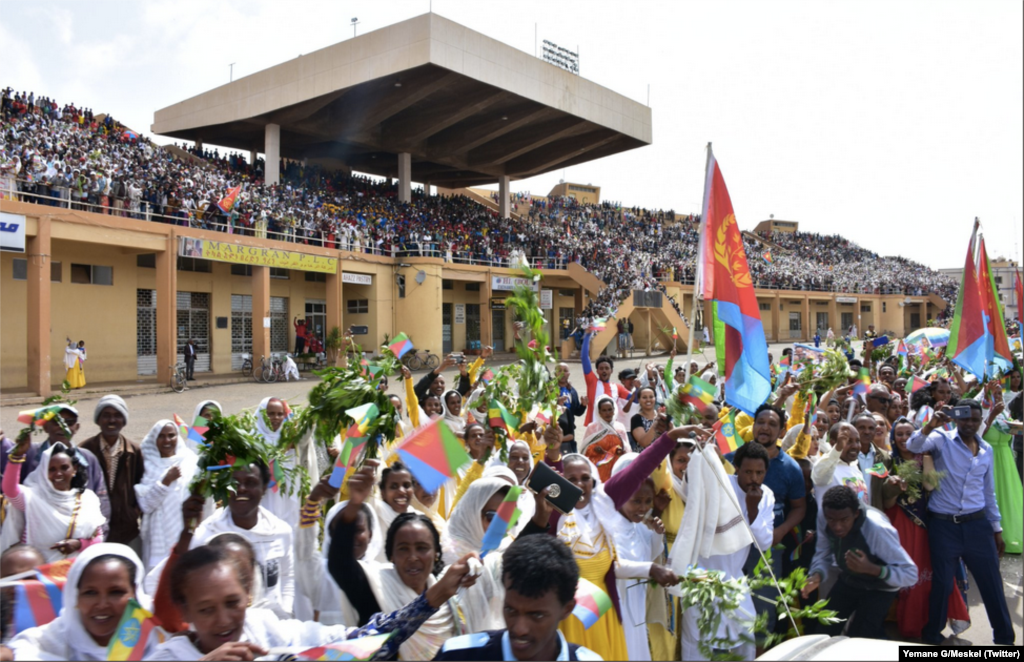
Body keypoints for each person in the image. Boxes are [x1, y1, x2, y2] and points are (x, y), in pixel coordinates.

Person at [148, 541, 477, 661]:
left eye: (233, 602)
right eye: (206, 610)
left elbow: (363, 644)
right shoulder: (169, 656)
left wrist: (434, 597)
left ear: (249, 595)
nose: (223, 620)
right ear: (184, 610)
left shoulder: (267, 633)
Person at [327, 461, 478, 660]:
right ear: (391, 556)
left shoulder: (449, 599)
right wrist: (354, 505)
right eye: (403, 549)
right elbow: (340, 564)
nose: (413, 557)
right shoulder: (376, 589)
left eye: (422, 548)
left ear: (436, 554)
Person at [906, 401, 1015, 645]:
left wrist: (997, 529)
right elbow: (911, 444)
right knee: (943, 585)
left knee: (992, 585)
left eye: (975, 420)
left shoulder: (986, 449)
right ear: (956, 419)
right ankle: (932, 637)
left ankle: (1005, 640)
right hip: (944, 527)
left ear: (980, 420)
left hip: (977, 526)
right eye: (965, 419)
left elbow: (989, 494)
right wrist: (929, 425)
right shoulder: (941, 438)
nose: (970, 424)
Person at [433, 534, 601, 662]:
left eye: (536, 615)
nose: (520, 629)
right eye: (510, 610)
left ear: (567, 609)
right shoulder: (458, 655)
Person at [681, 441, 775, 661]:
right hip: (700, 573)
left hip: (733, 577)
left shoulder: (766, 496)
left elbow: (764, 544)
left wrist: (753, 510)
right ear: (736, 468)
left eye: (759, 473)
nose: (754, 478)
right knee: (697, 637)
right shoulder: (720, 484)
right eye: (748, 471)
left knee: (746, 631)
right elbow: (689, 492)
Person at [882, 417, 970, 639]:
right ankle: (909, 626)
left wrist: (926, 457)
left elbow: (931, 484)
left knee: (931, 577)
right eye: (899, 434)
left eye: (908, 433)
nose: (903, 438)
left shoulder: (926, 457)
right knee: (909, 579)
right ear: (893, 438)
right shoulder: (887, 461)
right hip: (900, 523)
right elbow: (886, 502)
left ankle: (929, 625)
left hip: (928, 524)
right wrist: (896, 487)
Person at [1, 544, 161, 660]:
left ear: (135, 591)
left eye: (116, 592)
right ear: (75, 596)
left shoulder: (159, 636)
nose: (102, 604)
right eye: (90, 593)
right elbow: (16, 651)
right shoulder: (46, 642)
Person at [803, 485, 918, 639]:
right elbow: (823, 552)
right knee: (824, 631)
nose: (837, 527)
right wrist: (817, 575)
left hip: (880, 587)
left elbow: (910, 574)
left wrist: (872, 569)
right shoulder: (824, 516)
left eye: (844, 520)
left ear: (856, 514)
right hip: (850, 578)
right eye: (831, 519)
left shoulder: (876, 528)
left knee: (860, 639)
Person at [190, 460, 295, 617]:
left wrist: (285, 614)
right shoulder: (206, 536)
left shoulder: (280, 531)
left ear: (264, 487)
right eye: (234, 482)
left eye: (251, 482)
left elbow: (287, 577)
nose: (241, 489)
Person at [0, 433, 107, 563]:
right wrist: (17, 456)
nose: (58, 473)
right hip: (39, 575)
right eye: (51, 469)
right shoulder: (33, 499)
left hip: (74, 573)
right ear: (44, 473)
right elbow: (10, 490)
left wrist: (79, 544)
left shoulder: (88, 499)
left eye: (64, 467)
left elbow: (98, 537)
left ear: (75, 469)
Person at [78, 395, 144, 547]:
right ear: (98, 420)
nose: (112, 420)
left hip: (127, 532)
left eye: (117, 416)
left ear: (124, 420)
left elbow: (142, 485)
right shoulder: (85, 450)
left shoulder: (134, 451)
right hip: (93, 534)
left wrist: (134, 511)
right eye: (106, 415)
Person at [134, 420, 198, 573]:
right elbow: (145, 505)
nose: (167, 440)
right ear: (154, 439)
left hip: (184, 534)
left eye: (171, 435)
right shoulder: (146, 465)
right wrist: (165, 481)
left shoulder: (190, 461)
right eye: (161, 436)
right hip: (158, 539)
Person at [580, 332, 630, 426]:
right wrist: (587, 335)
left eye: (607, 368)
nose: (604, 371)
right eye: (601, 368)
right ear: (597, 371)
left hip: (612, 428)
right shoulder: (592, 382)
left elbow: (634, 398)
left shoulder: (617, 387)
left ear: (612, 371)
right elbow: (584, 357)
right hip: (594, 428)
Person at [579, 396, 629, 482]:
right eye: (604, 410)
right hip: (598, 470)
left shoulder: (620, 427)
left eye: (610, 410)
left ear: (614, 410)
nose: (607, 413)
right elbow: (584, 450)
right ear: (599, 412)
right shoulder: (592, 428)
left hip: (616, 469)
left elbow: (627, 450)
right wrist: (594, 448)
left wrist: (619, 451)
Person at [557, 363, 587, 455]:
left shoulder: (572, 391)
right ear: (555, 373)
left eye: (565, 370)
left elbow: (577, 412)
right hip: (554, 430)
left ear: (569, 374)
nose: (562, 373)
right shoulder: (549, 389)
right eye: (559, 370)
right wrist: (556, 403)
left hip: (569, 432)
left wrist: (583, 405)